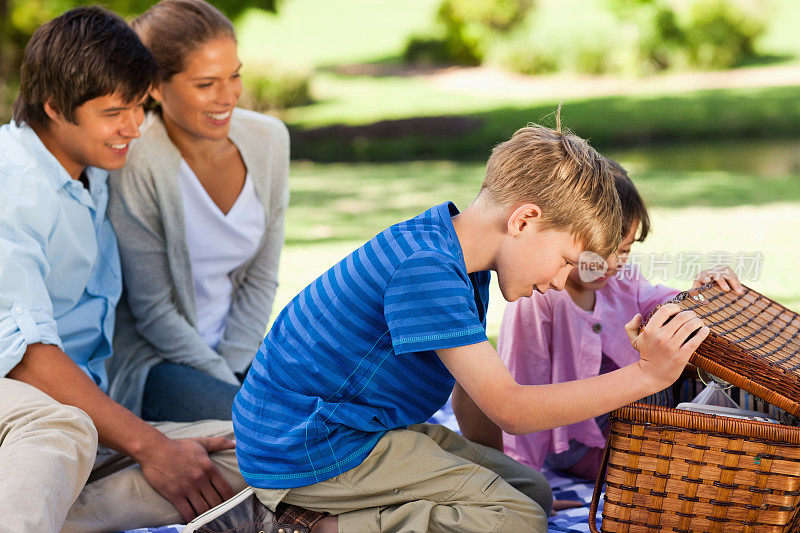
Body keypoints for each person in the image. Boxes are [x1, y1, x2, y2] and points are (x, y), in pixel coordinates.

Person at [188, 120, 709, 533]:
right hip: (318, 447)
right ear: (524, 221)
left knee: (532, 493)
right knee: (517, 520)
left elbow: (472, 393)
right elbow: (511, 408)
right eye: (567, 259)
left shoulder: (460, 255)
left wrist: (482, 471)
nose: (560, 282)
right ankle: (300, 527)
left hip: (351, 428)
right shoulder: (427, 270)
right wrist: (646, 377)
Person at [0, 7, 247, 532]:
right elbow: (23, 355)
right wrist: (149, 444)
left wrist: (161, 449)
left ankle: (54, 517)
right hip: (24, 402)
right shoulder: (13, 180)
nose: (134, 128)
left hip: (81, 420)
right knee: (59, 426)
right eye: (115, 112)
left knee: (243, 447)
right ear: (54, 107)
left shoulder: (92, 173)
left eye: (138, 107)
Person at [455, 160, 743, 483]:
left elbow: (668, 305)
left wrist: (703, 292)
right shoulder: (540, 298)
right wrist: (524, 478)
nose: (611, 264)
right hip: (574, 439)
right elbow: (524, 382)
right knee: (662, 466)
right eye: (601, 250)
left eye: (624, 250)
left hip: (622, 417)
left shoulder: (623, 281)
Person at [106, 0, 289, 422]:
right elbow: (154, 312)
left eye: (235, 75)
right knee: (269, 429)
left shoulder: (269, 140)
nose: (227, 96)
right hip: (158, 362)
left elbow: (262, 276)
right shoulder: (136, 161)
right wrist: (228, 385)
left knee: (349, 405)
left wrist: (241, 368)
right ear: (154, 87)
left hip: (240, 354)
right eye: (206, 84)